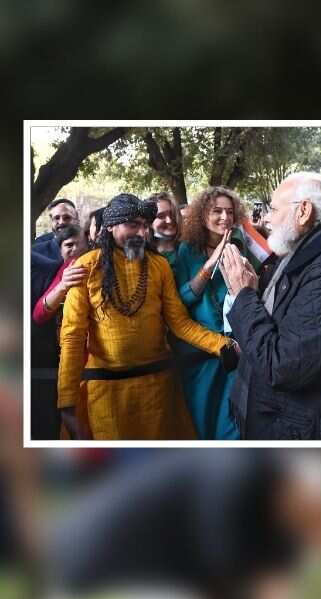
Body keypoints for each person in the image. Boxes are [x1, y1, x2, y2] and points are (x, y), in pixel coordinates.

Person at [45, 451, 321, 599]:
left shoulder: (277, 518)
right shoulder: (235, 481)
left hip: (139, 577)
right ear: (293, 486)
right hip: (96, 580)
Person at [56, 193, 236, 440]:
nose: (141, 233)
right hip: (107, 396)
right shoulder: (86, 267)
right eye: (133, 225)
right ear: (110, 227)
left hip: (157, 391)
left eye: (144, 226)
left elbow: (180, 323)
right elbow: (72, 338)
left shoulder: (158, 266)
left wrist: (222, 345)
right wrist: (67, 401)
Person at [219, 172, 321, 440]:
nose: (267, 218)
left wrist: (243, 296)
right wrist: (253, 287)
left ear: (304, 211)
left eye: (272, 208)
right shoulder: (304, 255)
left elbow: (283, 366)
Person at [173, 186, 256, 441]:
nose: (225, 217)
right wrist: (212, 262)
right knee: (203, 424)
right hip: (200, 356)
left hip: (235, 351)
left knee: (232, 425)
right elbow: (184, 299)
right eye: (217, 211)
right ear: (202, 215)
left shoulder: (239, 247)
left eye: (230, 212)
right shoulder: (187, 251)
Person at [30, 224, 88, 440]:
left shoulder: (96, 264)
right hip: (66, 358)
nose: (72, 250)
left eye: (76, 244)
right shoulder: (61, 271)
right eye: (67, 245)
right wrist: (63, 286)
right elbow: (39, 314)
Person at [148, 192, 182, 267]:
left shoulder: (190, 247)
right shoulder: (143, 252)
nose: (169, 220)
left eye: (172, 213)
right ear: (149, 222)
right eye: (161, 216)